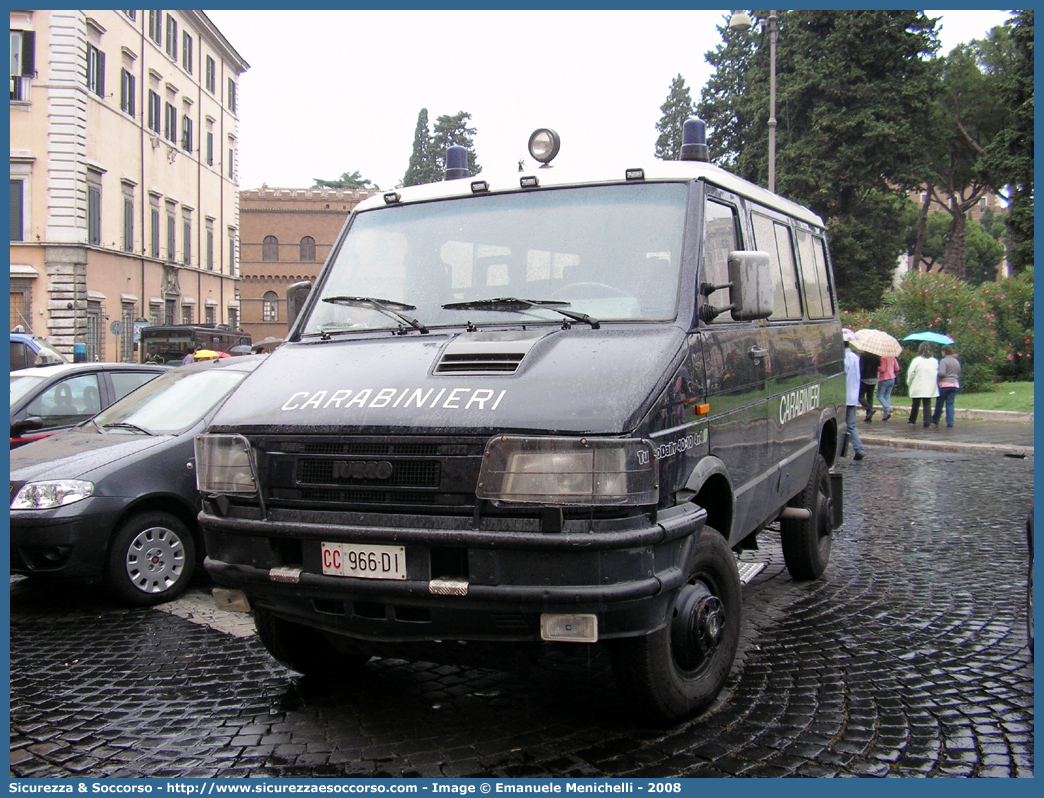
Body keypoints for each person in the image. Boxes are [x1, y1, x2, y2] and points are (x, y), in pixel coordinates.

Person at [842, 329, 865, 460]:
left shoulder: (844, 359)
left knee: (843, 425)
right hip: (853, 395)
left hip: (844, 396)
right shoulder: (855, 357)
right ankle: (858, 448)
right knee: (851, 425)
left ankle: (857, 449)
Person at [906, 342, 939, 428]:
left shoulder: (916, 360)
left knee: (915, 403)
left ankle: (912, 419)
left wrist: (909, 382)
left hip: (918, 384)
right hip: (929, 385)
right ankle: (927, 421)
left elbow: (911, 373)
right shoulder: (935, 361)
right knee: (927, 403)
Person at [932, 345, 962, 428]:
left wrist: (938, 376)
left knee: (939, 403)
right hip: (955, 385)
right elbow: (959, 373)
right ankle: (950, 422)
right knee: (950, 404)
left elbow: (942, 373)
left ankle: (935, 420)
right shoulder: (956, 361)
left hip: (944, 385)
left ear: (944, 351)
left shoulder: (943, 361)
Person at [876, 354, 900, 421]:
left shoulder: (883, 358)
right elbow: (897, 368)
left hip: (884, 379)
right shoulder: (892, 357)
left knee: (879, 395)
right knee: (887, 396)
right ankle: (885, 415)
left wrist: (877, 367)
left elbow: (882, 369)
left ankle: (888, 408)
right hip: (892, 378)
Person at [859, 351, 881, 422]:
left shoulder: (863, 356)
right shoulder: (876, 356)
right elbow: (878, 366)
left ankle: (869, 409)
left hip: (865, 378)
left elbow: (861, 368)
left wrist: (860, 377)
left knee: (859, 396)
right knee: (870, 397)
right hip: (874, 378)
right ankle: (869, 416)